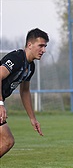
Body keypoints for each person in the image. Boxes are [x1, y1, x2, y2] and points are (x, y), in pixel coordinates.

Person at [0, 28, 49, 158]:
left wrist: (32, 118)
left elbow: (25, 91)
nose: (43, 50)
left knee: (7, 142)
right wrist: (0, 103)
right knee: (6, 141)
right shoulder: (16, 58)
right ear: (29, 45)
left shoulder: (30, 67)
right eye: (41, 46)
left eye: (45, 46)